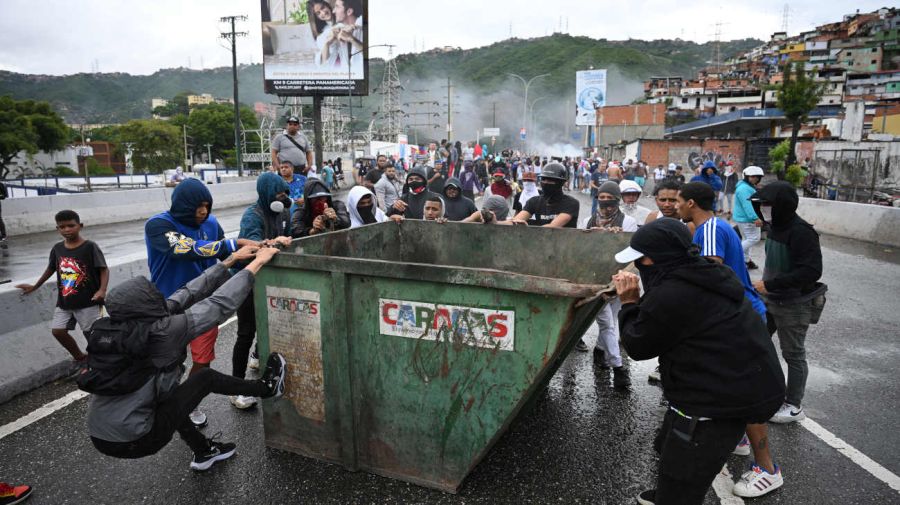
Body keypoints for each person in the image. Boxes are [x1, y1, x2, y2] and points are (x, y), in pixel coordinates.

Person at [612, 219, 785, 505]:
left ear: (654, 259)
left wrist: (630, 303)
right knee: (667, 447)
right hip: (740, 386)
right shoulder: (709, 273)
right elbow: (674, 318)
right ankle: (672, 489)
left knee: (683, 479)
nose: (639, 268)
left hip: (713, 405)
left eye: (640, 261)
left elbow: (638, 345)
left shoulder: (672, 294)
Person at [84, 246, 289, 471]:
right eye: (152, 293)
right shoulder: (165, 332)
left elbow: (186, 293)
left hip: (99, 432)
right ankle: (267, 387)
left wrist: (230, 260)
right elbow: (218, 304)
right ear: (145, 302)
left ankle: (204, 452)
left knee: (174, 398)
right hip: (136, 439)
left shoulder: (125, 327)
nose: (158, 294)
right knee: (205, 378)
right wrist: (257, 263)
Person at [675, 182, 784, 499]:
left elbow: (711, 275)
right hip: (738, 316)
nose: (676, 207)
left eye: (679, 202)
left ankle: (767, 469)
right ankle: (738, 437)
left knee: (749, 393)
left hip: (739, 319)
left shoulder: (707, 229)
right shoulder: (717, 226)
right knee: (735, 388)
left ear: (691, 203)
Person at [144, 178, 261, 427]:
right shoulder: (158, 224)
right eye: (198, 206)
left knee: (203, 359)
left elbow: (224, 255)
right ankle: (162, 401)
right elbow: (186, 248)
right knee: (170, 362)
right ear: (183, 204)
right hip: (168, 305)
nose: (203, 211)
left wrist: (255, 255)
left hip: (204, 304)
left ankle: (188, 404)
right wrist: (232, 244)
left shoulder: (210, 222)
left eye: (207, 205)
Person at [751, 181, 826, 425]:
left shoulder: (802, 232)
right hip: (770, 300)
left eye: (768, 204)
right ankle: (762, 389)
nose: (764, 208)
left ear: (782, 205)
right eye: (761, 204)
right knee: (756, 342)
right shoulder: (774, 226)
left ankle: (794, 405)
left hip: (794, 304)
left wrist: (770, 285)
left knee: (793, 354)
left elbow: (811, 271)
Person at [231, 173, 293, 410]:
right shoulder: (252, 216)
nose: (284, 198)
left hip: (272, 281)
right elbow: (251, 249)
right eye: (279, 194)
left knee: (273, 327)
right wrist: (273, 242)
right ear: (267, 193)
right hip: (249, 282)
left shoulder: (284, 213)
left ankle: (262, 362)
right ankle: (236, 388)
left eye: (286, 193)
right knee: (245, 333)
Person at [16, 210, 108, 369]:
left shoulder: (90, 247)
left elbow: (104, 269)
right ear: (57, 229)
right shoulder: (58, 248)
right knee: (58, 331)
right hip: (65, 302)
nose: (67, 230)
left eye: (71, 226)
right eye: (62, 227)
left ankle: (100, 362)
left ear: (80, 226)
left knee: (91, 335)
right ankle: (80, 357)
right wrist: (35, 286)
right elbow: (51, 269)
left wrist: (102, 290)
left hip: (88, 301)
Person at [575, 181, 637, 388]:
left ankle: (600, 351)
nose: (605, 204)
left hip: (618, 277)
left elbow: (630, 250)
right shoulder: (587, 220)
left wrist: (617, 237)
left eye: (609, 199)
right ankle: (619, 368)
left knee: (613, 320)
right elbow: (579, 250)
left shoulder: (627, 221)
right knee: (607, 323)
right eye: (601, 199)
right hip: (595, 279)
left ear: (617, 200)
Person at [506, 163, 579, 228]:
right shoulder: (534, 201)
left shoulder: (571, 203)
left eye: (550, 180)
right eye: (543, 179)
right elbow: (516, 220)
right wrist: (496, 222)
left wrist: (528, 229)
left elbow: (552, 227)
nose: (546, 183)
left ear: (561, 182)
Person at [733, 166, 764, 270]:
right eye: (752, 176)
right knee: (754, 238)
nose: (755, 178)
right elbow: (747, 205)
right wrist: (755, 218)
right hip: (746, 219)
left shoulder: (746, 186)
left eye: (757, 177)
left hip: (743, 218)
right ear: (746, 177)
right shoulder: (744, 188)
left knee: (747, 239)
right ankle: (733, 254)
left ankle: (745, 261)